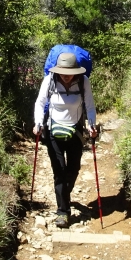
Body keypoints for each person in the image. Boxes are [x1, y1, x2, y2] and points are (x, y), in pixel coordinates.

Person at [33, 51, 98, 228]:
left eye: (69, 73)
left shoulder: (83, 81)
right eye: (63, 72)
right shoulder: (50, 80)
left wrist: (92, 125)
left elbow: (90, 107)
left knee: (74, 169)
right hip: (53, 131)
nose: (66, 76)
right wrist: (38, 123)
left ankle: (64, 195)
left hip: (75, 131)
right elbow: (40, 103)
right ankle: (63, 212)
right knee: (59, 172)